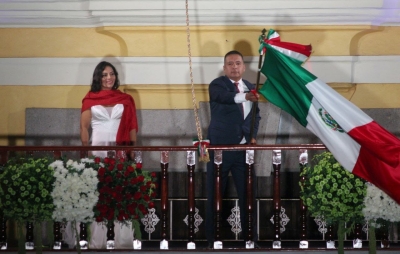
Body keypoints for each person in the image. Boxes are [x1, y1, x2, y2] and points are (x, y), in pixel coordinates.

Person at [79, 61, 138, 249]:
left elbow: (132, 127)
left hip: (120, 149)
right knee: (99, 196)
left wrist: (132, 151)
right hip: (98, 150)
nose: (109, 78)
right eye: (104, 75)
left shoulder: (126, 99)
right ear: (98, 77)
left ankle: (124, 242)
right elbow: (84, 127)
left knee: (122, 195)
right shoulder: (89, 99)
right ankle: (97, 243)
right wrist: (87, 151)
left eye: (111, 74)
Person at [206, 50, 261, 248]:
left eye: (238, 63)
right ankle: (212, 240)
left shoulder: (251, 86)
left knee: (248, 194)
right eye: (230, 63)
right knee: (215, 194)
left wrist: (253, 135)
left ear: (244, 67)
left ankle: (250, 240)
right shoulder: (217, 85)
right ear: (224, 67)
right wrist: (246, 96)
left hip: (244, 149)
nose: (234, 67)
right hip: (220, 149)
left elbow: (257, 115)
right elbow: (225, 98)